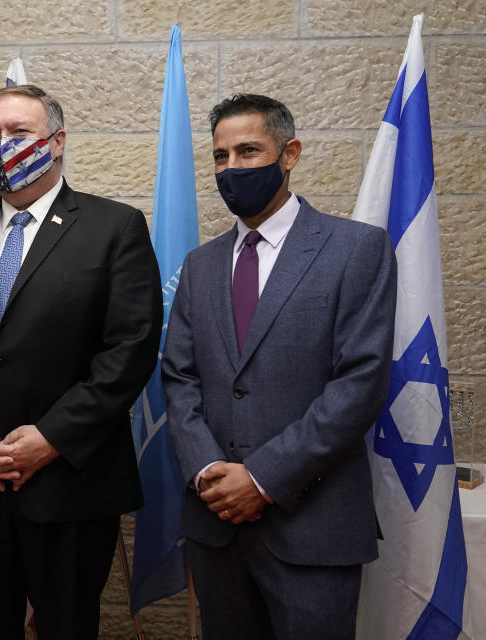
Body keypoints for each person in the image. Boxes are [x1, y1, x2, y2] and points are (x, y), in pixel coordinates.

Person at [0, 84, 162, 639]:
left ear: (57, 142)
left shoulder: (114, 228)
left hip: (71, 484)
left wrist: (51, 437)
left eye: (18, 133)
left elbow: (130, 349)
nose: (3, 146)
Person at [162, 94, 397, 639]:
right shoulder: (200, 265)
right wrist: (207, 473)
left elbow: (359, 384)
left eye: (249, 150)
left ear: (289, 153)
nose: (232, 168)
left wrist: (263, 478)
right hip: (216, 524)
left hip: (311, 529)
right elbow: (180, 377)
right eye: (221, 156)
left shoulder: (355, 248)